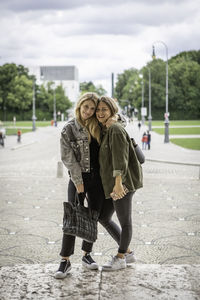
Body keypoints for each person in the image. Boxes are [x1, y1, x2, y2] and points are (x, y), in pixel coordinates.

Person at [55, 92, 130, 279]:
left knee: (93, 216)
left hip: (98, 179)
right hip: (78, 178)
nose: (89, 111)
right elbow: (68, 159)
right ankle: (65, 260)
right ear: (79, 106)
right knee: (72, 216)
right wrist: (79, 182)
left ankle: (86, 255)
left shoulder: (100, 124)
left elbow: (122, 122)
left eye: (92, 108)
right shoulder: (69, 129)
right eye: (85, 107)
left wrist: (117, 118)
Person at [96, 96, 143, 271]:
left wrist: (118, 183)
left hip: (123, 183)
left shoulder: (115, 129)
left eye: (104, 109)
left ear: (112, 111)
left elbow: (120, 158)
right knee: (103, 217)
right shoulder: (108, 128)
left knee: (125, 221)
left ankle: (121, 257)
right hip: (114, 183)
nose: (100, 113)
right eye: (98, 109)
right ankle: (128, 253)